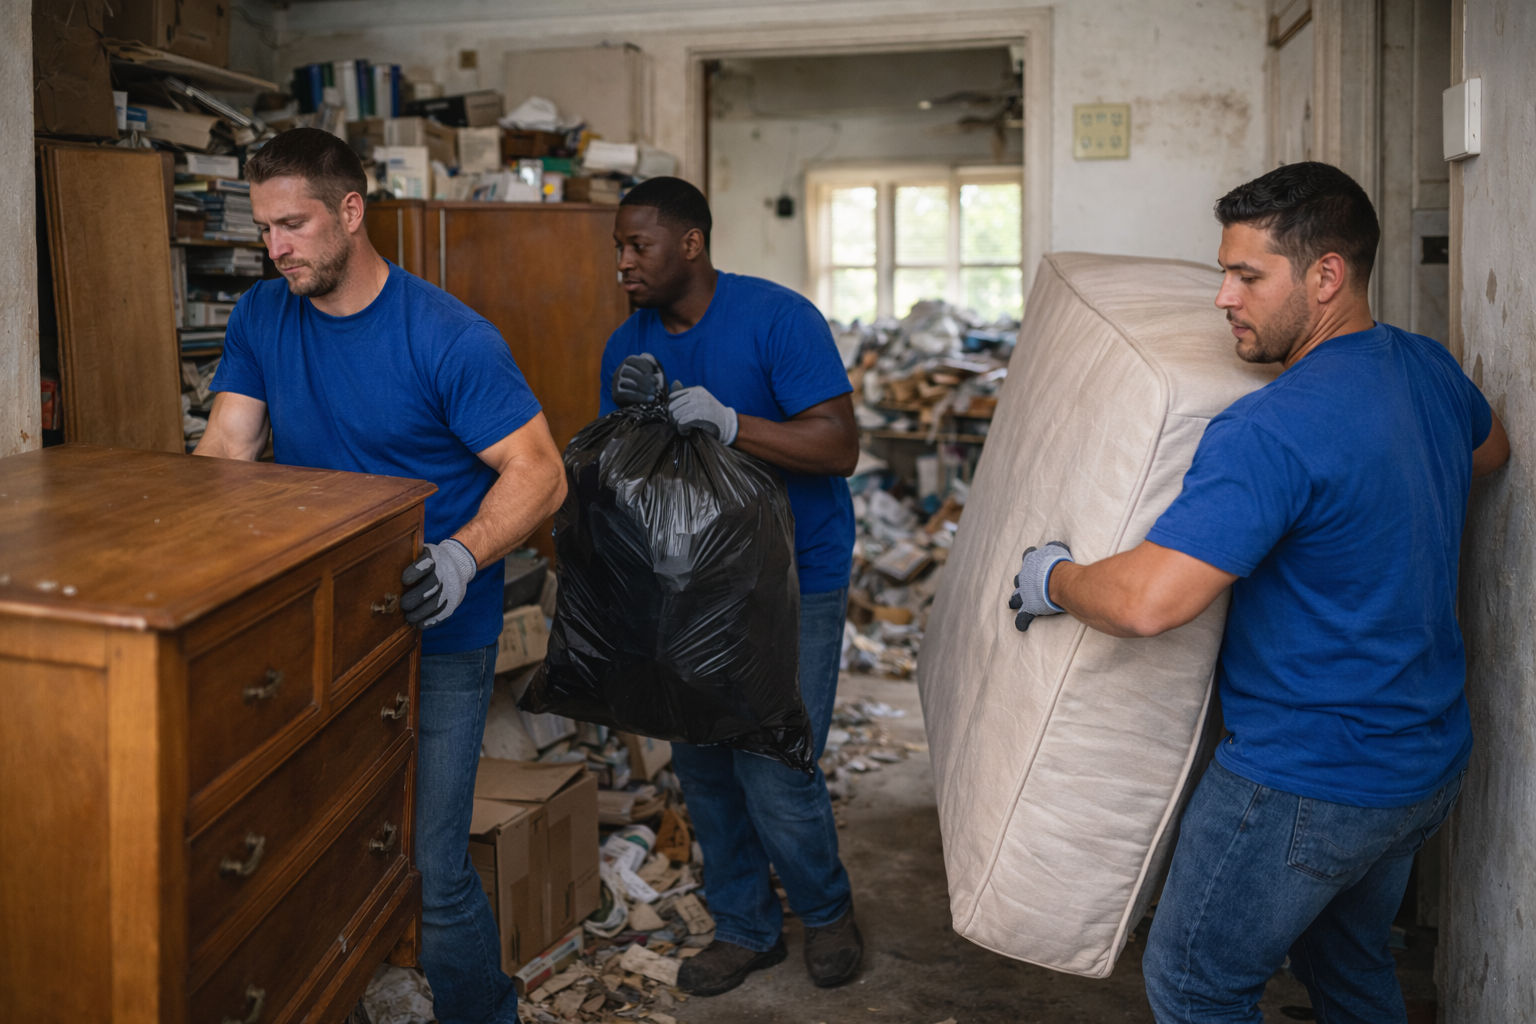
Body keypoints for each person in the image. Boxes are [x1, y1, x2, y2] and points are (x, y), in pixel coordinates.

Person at [1007, 162, 1509, 1023]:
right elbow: (1488, 450)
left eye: (1247, 276)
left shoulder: (1269, 429)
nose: (1223, 299)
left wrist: (1054, 578)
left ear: (1325, 275)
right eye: (1222, 273)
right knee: (1349, 970)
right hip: (1423, 763)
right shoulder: (1424, 370)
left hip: (1305, 782)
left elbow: (1148, 603)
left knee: (1197, 987)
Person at [194, 128, 566, 1024]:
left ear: (351, 212)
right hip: (326, 631)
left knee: (432, 868)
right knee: (319, 852)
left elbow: (541, 471)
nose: (275, 247)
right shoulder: (259, 314)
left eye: (293, 225)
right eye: (265, 229)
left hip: (438, 629)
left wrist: (461, 554)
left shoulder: (447, 337)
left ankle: (487, 1013)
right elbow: (227, 451)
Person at [599, 176, 863, 995]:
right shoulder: (626, 346)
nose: (623, 264)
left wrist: (726, 420)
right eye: (617, 248)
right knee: (705, 765)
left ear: (691, 243)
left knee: (774, 765)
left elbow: (837, 447)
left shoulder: (778, 318)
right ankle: (749, 929)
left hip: (792, 574)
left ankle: (826, 913)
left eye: (637, 246)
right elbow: (625, 477)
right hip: (686, 582)